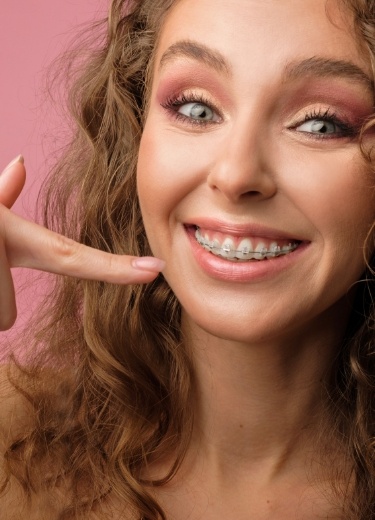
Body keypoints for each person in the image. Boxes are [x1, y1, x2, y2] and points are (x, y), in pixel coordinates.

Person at [1, 0, 375, 518]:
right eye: (196, 109)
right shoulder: (10, 444)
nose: (237, 173)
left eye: (321, 124)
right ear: (136, 133)